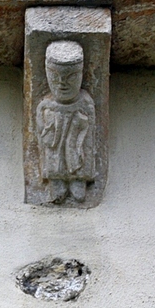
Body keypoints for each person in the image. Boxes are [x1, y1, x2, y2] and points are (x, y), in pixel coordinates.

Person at [35, 40, 95, 203]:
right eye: (55, 76)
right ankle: (56, 181)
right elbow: (40, 129)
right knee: (54, 155)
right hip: (55, 137)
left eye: (71, 77)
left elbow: (90, 138)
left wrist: (80, 122)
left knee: (77, 152)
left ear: (81, 75)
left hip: (75, 136)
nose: (62, 83)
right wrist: (48, 125)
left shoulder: (85, 102)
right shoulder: (46, 104)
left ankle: (78, 178)